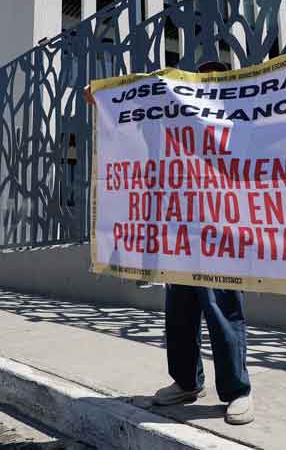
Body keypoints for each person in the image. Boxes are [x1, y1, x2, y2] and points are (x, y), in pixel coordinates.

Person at [83, 60, 255, 426]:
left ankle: (238, 391)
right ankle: (186, 382)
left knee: (222, 310)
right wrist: (104, 102)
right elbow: (134, 123)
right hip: (180, 232)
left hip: (222, 232)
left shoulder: (239, 119)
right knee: (180, 312)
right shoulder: (176, 123)